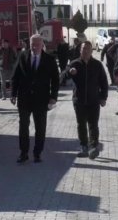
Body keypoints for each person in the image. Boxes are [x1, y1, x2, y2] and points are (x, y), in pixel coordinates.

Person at [11, 34, 60, 163]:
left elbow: (55, 80)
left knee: (40, 127)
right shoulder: (22, 56)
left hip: (41, 99)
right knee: (23, 126)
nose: (34, 47)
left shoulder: (49, 60)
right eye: (32, 44)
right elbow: (15, 76)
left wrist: (53, 97)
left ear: (42, 45)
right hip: (24, 98)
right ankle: (23, 153)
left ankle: (37, 153)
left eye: (37, 44)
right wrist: (13, 94)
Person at [67, 41, 109, 159]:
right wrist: (69, 73)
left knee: (93, 124)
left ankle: (94, 146)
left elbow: (104, 82)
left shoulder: (97, 64)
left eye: (88, 49)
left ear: (91, 51)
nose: (85, 51)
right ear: (80, 50)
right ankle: (84, 146)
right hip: (79, 100)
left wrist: (103, 97)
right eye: (83, 49)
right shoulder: (74, 63)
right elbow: (63, 76)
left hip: (94, 100)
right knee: (81, 124)